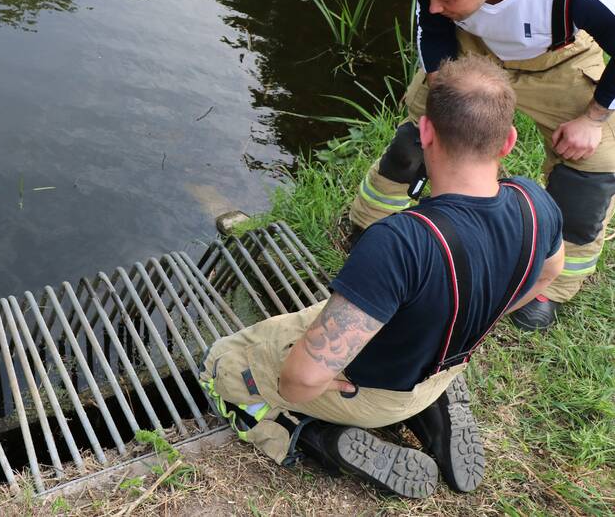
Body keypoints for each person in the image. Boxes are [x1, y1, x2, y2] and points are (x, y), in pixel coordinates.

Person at [200, 55, 563, 498]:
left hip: (371, 395)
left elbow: (300, 381)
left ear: (426, 132)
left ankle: (317, 437)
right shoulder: (535, 202)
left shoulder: (401, 240)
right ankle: (432, 409)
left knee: (223, 364)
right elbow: (549, 275)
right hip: (443, 368)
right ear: (508, 141)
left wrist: (308, 383)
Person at [349, 0, 615, 330]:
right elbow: (431, 31)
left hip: (557, 61)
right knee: (421, 138)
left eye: (446, 0)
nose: (434, 5)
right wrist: (441, 94)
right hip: (474, 50)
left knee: (591, 170)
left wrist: (594, 117)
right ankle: (373, 221)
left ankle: (552, 285)